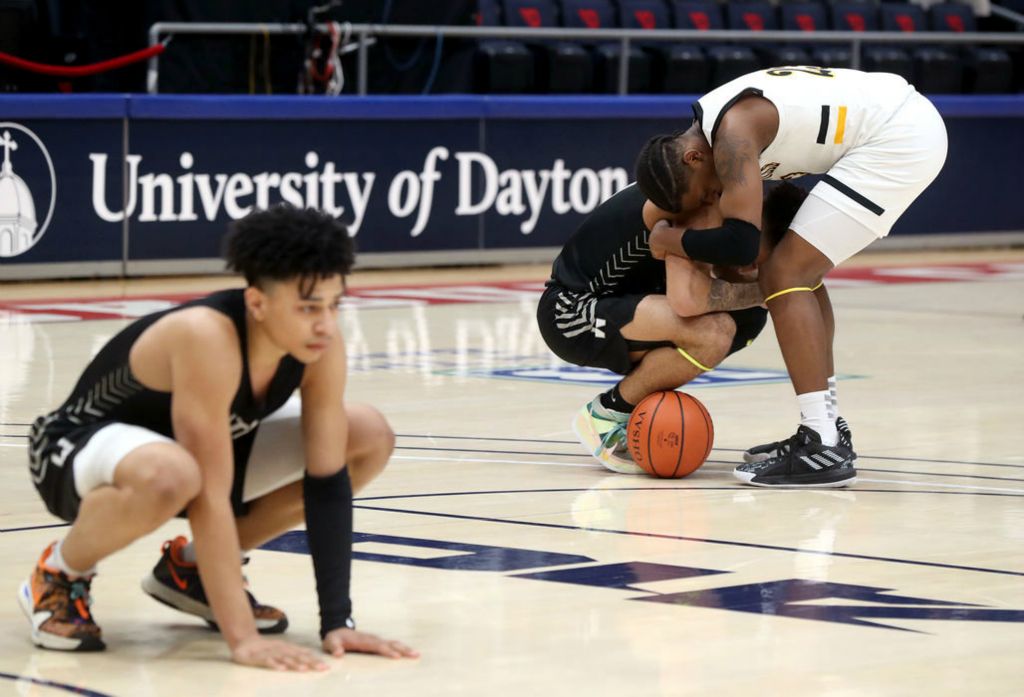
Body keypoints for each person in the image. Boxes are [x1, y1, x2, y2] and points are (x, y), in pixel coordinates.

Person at [21, 205, 418, 670]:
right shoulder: (206, 336)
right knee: (175, 475)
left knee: (367, 435)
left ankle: (190, 571)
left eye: (334, 305)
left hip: (186, 460)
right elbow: (209, 494)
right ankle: (59, 572)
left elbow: (327, 482)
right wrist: (243, 640)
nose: (325, 324)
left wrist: (338, 622)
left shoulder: (320, 344)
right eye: (308, 307)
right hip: (74, 450)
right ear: (257, 303)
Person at [637, 66, 947, 488]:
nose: (715, 198)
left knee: (786, 271)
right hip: (896, 119)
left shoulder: (731, 134)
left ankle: (821, 441)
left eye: (707, 193)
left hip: (897, 136)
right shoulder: (719, 131)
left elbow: (742, 244)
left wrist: (671, 239)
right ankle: (825, 427)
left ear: (694, 157)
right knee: (800, 272)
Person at [537, 171, 807, 474]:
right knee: (714, 333)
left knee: (746, 319)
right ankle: (607, 414)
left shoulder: (729, 204)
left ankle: (636, 407)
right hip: (569, 310)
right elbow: (688, 299)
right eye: (755, 262)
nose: (751, 268)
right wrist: (771, 288)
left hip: (625, 300)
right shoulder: (699, 204)